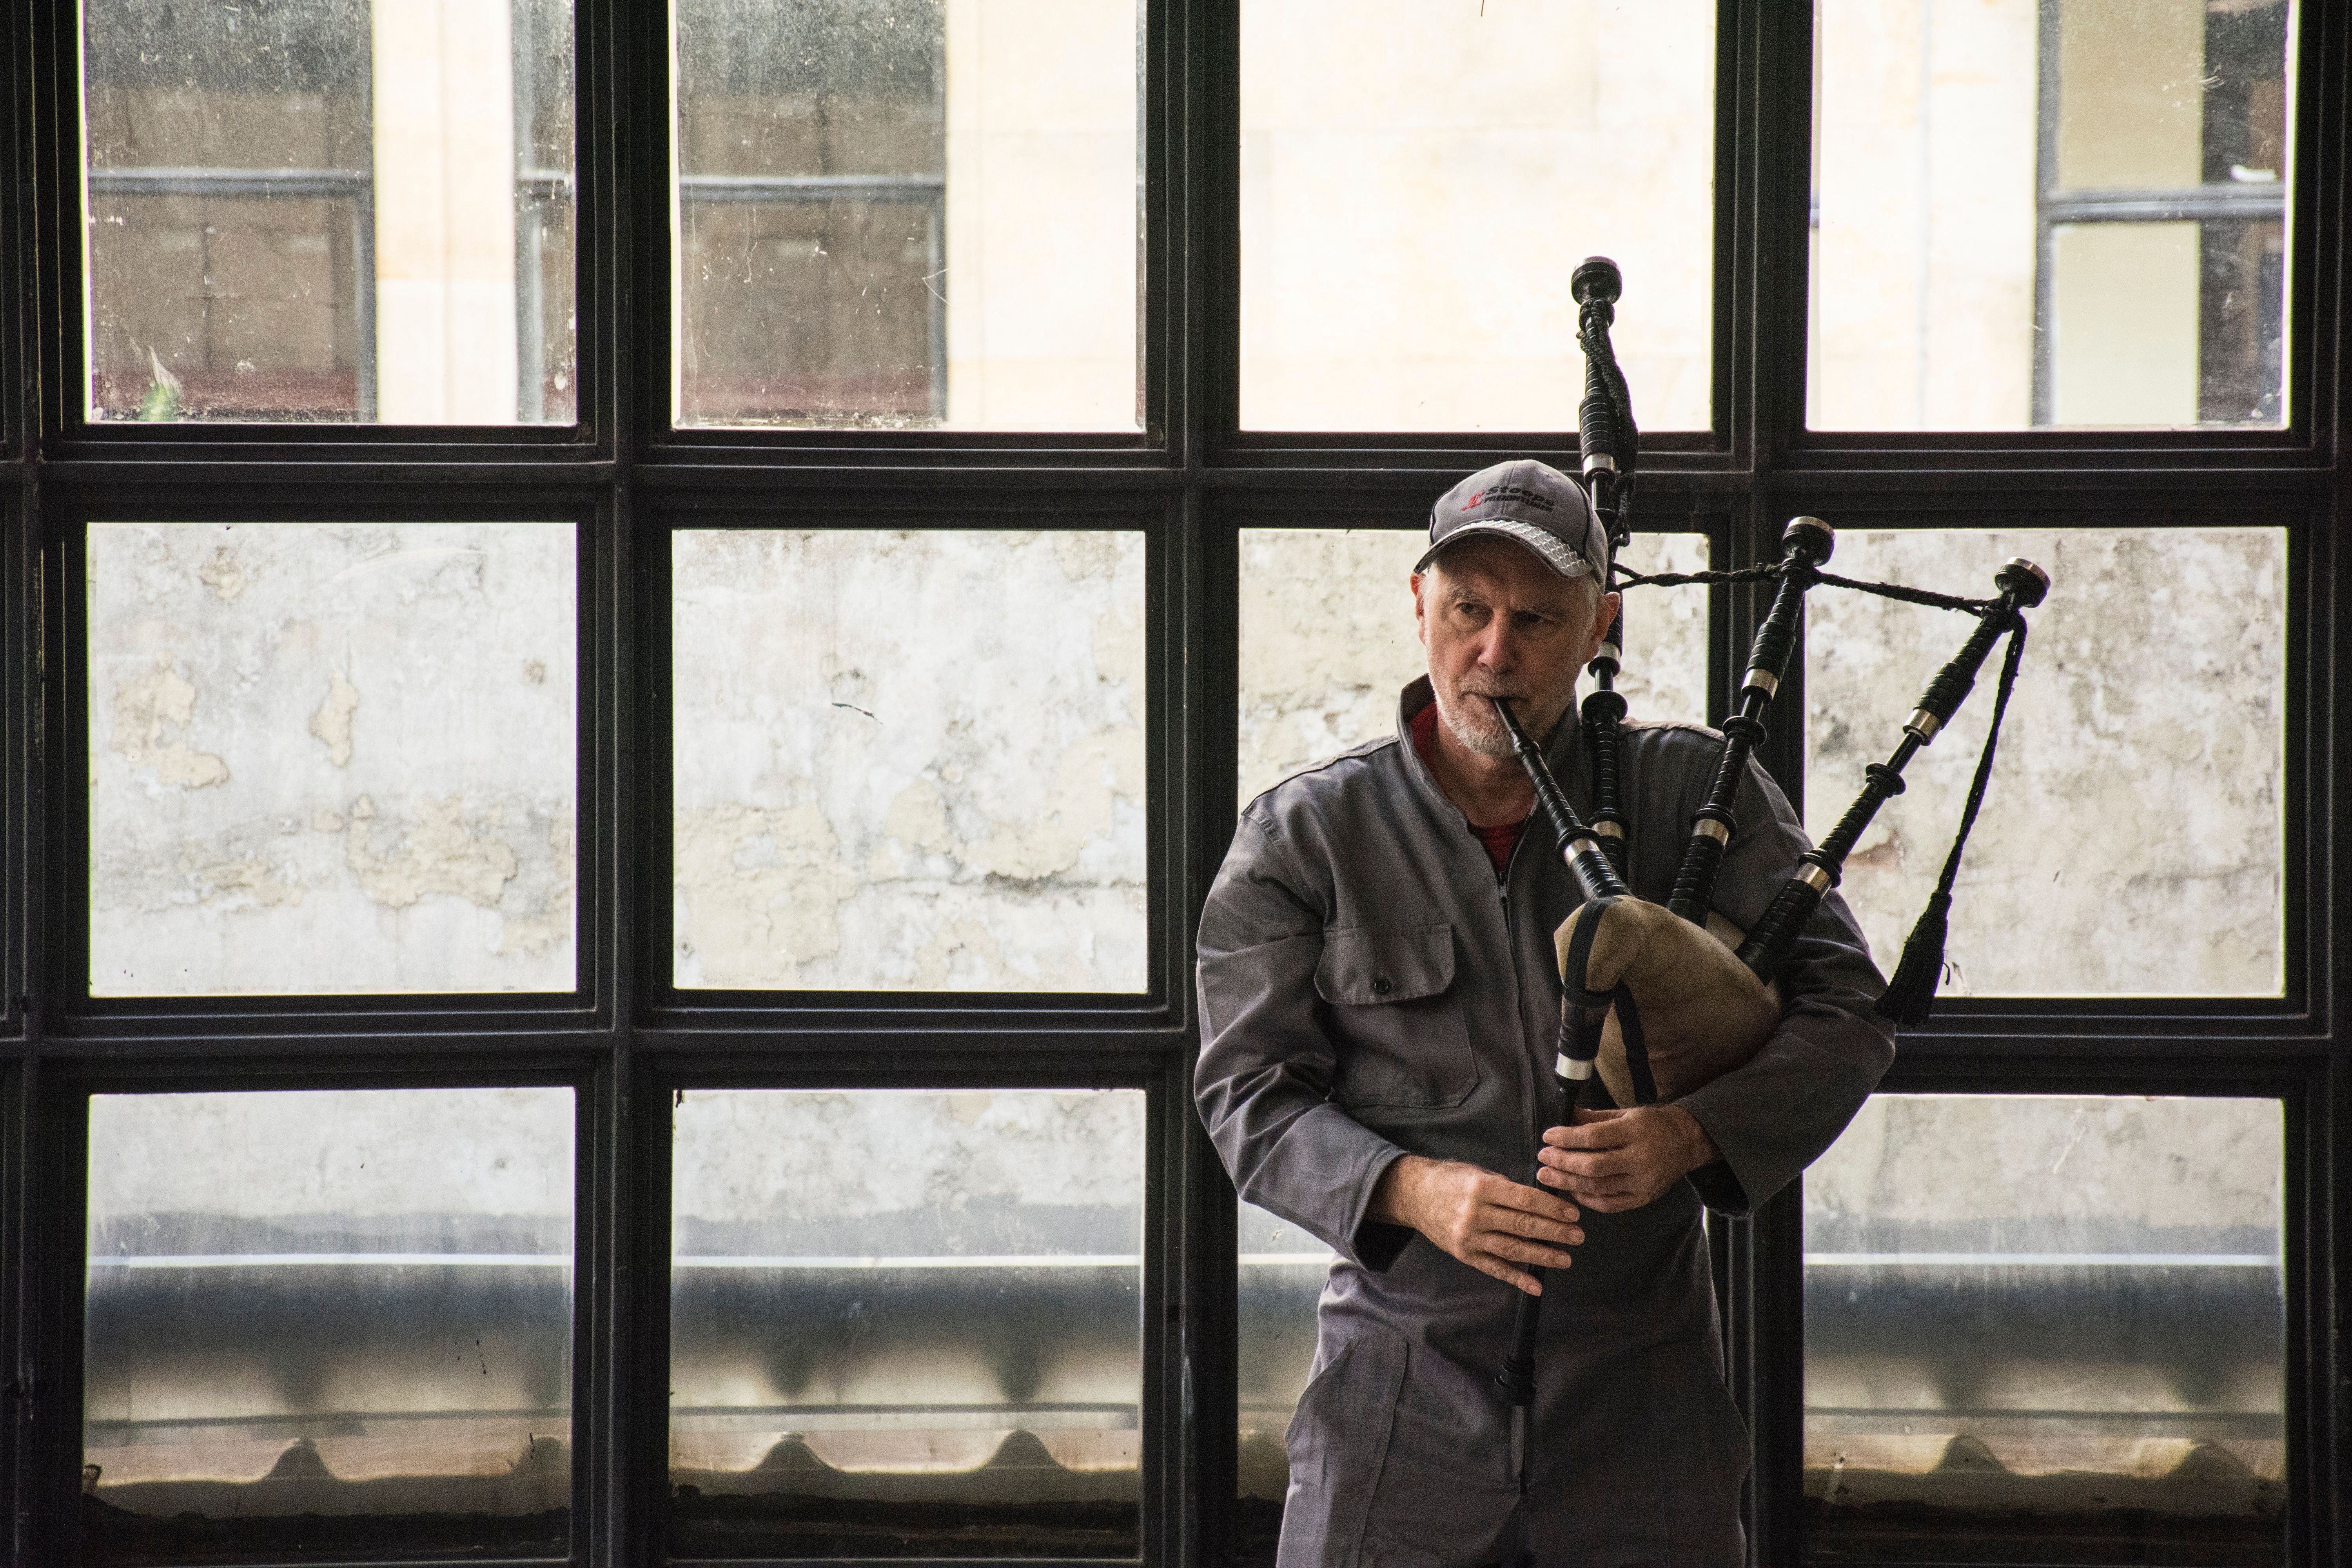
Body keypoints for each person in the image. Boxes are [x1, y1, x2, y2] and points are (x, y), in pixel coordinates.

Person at [1194, 458, 1895, 1568]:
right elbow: (1247, 1093)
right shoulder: (1306, 836)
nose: (1495, 652)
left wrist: (1693, 1135)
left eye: (1538, 619)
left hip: (1643, 1404)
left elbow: (1849, 1010)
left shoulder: (1691, 792)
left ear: (1599, 626)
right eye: (1468, 609)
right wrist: (1412, 1191)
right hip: (1396, 1400)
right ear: (1418, 603)